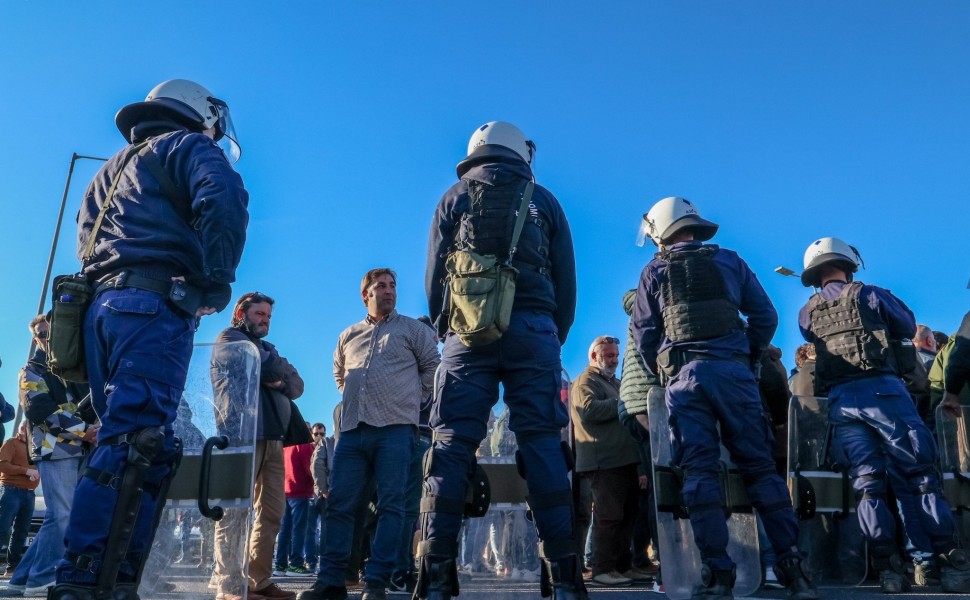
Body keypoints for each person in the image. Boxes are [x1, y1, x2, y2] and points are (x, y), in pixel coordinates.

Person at [50, 79, 248, 600]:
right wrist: (216, 278)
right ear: (200, 114)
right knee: (136, 440)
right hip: (150, 306)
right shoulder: (189, 146)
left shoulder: (108, 171)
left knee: (142, 444)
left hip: (100, 313)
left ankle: (114, 575)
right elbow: (224, 200)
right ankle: (87, 578)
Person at [415, 121, 581, 600]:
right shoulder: (543, 199)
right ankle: (566, 582)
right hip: (535, 329)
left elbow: (434, 276)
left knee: (449, 446)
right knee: (544, 445)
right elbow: (565, 277)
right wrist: (554, 332)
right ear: (520, 152)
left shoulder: (453, 196)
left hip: (468, 334)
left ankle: (437, 579)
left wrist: (446, 329)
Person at [631, 197, 816, 600]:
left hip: (685, 381)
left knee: (699, 475)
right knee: (761, 471)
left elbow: (643, 334)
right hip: (734, 375)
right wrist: (743, 355)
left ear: (661, 229)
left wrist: (667, 370)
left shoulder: (654, 271)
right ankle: (794, 572)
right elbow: (766, 316)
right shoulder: (730, 260)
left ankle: (718, 576)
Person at [798, 236, 969, 593]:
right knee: (921, 477)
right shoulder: (869, 294)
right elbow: (906, 326)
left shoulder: (807, 311)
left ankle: (888, 568)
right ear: (848, 263)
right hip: (884, 394)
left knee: (868, 487)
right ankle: (949, 562)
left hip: (842, 403)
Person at [299, 269, 439, 600]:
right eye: (380, 286)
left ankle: (376, 581)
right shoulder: (349, 335)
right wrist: (358, 399)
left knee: (392, 506)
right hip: (352, 434)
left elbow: (434, 368)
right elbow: (339, 374)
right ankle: (331, 580)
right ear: (366, 294)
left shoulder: (413, 330)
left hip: (395, 431)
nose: (389, 291)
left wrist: (411, 398)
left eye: (392, 286)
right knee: (341, 506)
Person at [214, 292, 304, 600]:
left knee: (271, 513)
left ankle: (258, 580)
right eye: (259, 314)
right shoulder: (229, 339)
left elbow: (296, 384)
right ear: (242, 312)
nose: (265, 320)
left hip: (273, 439)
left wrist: (278, 378)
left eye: (268, 315)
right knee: (234, 512)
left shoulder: (268, 349)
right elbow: (267, 369)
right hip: (240, 435)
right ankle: (228, 586)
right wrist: (276, 371)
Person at [8, 316, 97, 598]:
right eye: (43, 335)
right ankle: (41, 580)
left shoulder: (72, 367)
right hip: (54, 451)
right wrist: (84, 431)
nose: (48, 338)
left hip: (77, 449)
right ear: (37, 340)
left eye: (53, 333)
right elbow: (40, 410)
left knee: (58, 517)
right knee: (62, 515)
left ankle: (21, 579)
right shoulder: (30, 371)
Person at [569, 336, 646, 587]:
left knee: (627, 516)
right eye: (609, 355)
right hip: (603, 460)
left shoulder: (614, 382)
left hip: (623, 460)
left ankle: (623, 566)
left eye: (615, 355)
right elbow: (588, 410)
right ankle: (602, 569)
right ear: (594, 356)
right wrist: (624, 403)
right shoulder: (585, 381)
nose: (614, 359)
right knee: (609, 516)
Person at [274, 429, 316, 576]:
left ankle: (280, 565)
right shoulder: (305, 446)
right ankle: (296, 564)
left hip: (284, 491)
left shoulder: (285, 446)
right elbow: (311, 469)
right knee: (299, 529)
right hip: (301, 492)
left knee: (284, 530)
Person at [0, 422, 39, 576]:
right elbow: (2, 465)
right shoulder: (10, 443)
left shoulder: (36, 447)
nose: (24, 429)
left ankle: (12, 568)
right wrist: (26, 471)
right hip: (11, 490)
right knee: (3, 528)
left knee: (21, 532)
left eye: (28, 427)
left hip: (29, 493)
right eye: (23, 426)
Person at [306, 423, 330, 574]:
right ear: (311, 434)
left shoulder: (327, 447)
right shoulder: (306, 449)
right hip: (310, 494)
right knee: (310, 530)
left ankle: (324, 562)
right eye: (316, 434)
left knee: (325, 530)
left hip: (322, 494)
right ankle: (311, 561)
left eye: (322, 433)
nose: (319, 436)